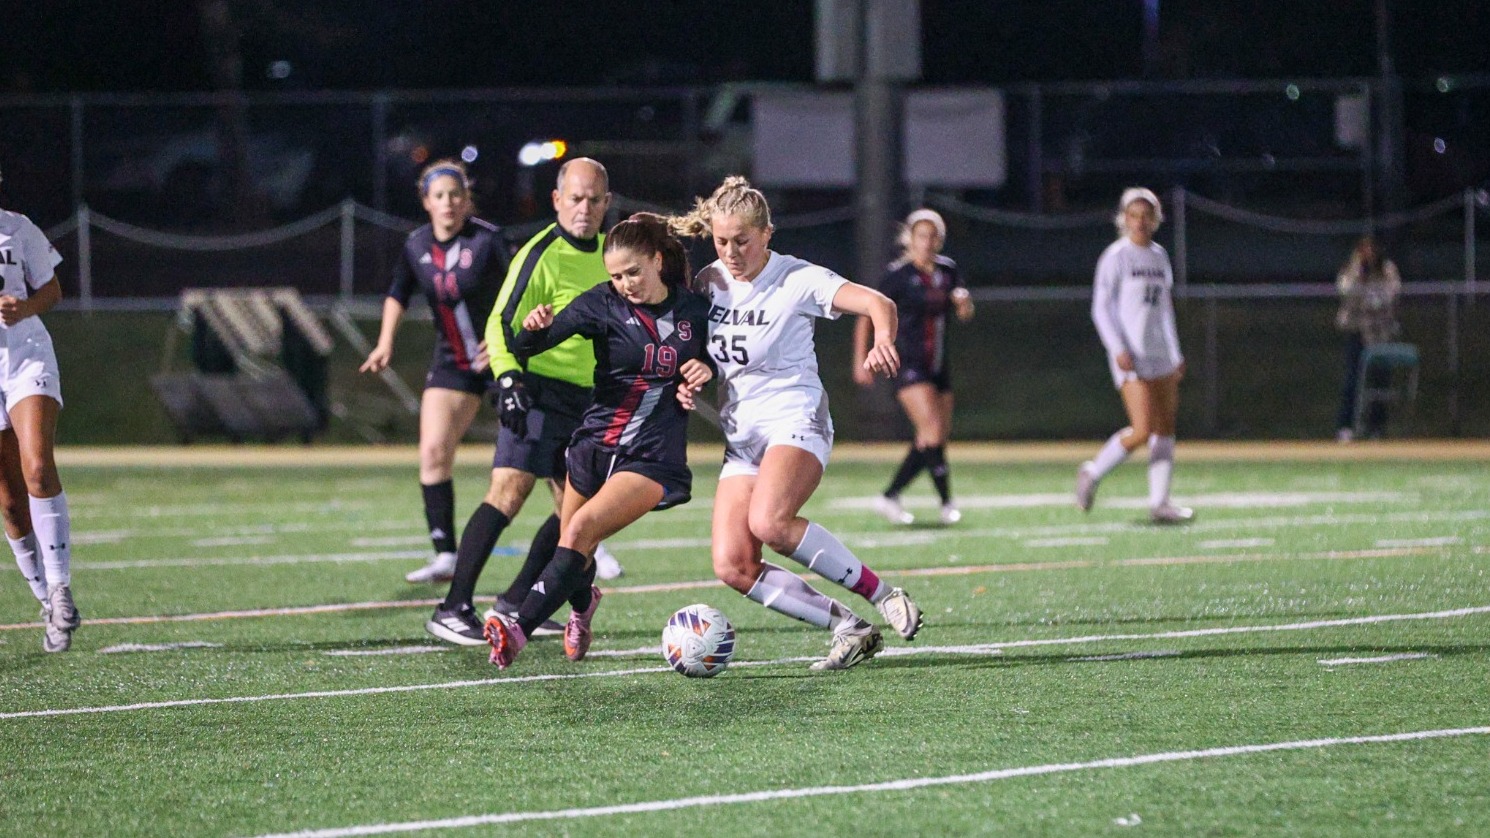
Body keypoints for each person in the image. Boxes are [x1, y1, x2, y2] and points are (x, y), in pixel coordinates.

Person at [667, 176, 924, 672]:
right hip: (743, 437)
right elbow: (705, 352)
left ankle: (884, 593)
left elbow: (878, 304)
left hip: (796, 418)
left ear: (767, 233)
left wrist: (883, 340)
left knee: (770, 522)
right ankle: (849, 627)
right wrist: (692, 373)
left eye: (742, 240)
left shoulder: (797, 278)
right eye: (722, 241)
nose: (731, 251)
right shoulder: (709, 283)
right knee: (733, 565)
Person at [484, 213, 714, 669]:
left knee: (579, 531)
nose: (624, 283)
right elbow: (530, 345)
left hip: (654, 452)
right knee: (575, 548)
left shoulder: (693, 310)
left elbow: (716, 360)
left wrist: (705, 371)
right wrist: (532, 329)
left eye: (632, 272)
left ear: (657, 259)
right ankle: (582, 605)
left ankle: (517, 628)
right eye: (615, 275)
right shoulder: (601, 303)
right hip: (593, 444)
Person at [426, 157, 622, 646]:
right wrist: (509, 380)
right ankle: (453, 606)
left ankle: (515, 603)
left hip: (588, 401)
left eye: (594, 199)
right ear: (557, 200)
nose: (585, 208)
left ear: (607, 203)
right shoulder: (540, 252)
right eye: (575, 198)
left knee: (574, 517)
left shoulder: (612, 254)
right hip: (537, 389)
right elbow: (499, 322)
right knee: (509, 492)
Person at [359, 159, 508, 584]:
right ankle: (445, 553)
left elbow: (517, 291)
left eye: (456, 194)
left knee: (539, 456)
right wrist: (385, 341)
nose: (448, 203)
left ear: (467, 199)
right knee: (433, 452)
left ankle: (588, 541)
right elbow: (397, 292)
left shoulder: (489, 240)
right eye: (439, 196)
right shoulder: (416, 245)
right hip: (452, 361)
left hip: (500, 359)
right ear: (426, 202)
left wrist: (503, 341)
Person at [1075, 187, 1192, 524]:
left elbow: (1165, 309)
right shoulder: (1116, 257)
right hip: (1131, 355)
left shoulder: (1159, 256)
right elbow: (1100, 308)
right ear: (1123, 219)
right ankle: (1093, 472)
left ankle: (1160, 503)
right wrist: (1117, 348)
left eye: (1146, 215)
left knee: (1166, 428)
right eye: (1133, 215)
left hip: (1161, 354)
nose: (1140, 222)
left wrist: (1175, 352)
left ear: (1155, 220)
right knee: (1142, 429)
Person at [0, 166, 81, 652]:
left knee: (37, 467)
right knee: (10, 503)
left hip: (26, 355)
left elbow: (51, 290)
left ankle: (60, 587)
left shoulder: (18, 227)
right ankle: (45, 603)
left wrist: (22, 308)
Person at [855, 208, 974, 527]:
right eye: (922, 235)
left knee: (933, 438)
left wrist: (964, 303)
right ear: (910, 238)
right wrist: (861, 359)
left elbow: (964, 313)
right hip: (908, 363)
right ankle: (947, 502)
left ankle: (890, 495)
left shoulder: (947, 271)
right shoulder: (898, 275)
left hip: (938, 364)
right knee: (932, 431)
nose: (928, 241)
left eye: (934, 235)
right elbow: (867, 314)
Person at [1333, 236, 1401, 442]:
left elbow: (1390, 295)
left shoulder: (1387, 270)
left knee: (1380, 380)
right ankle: (1345, 427)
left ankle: (1376, 428)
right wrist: (1358, 274)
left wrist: (1371, 298)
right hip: (1357, 332)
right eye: (1364, 249)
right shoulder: (1351, 269)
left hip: (1380, 333)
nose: (1369, 253)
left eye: (1372, 249)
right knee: (1352, 379)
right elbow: (1346, 292)